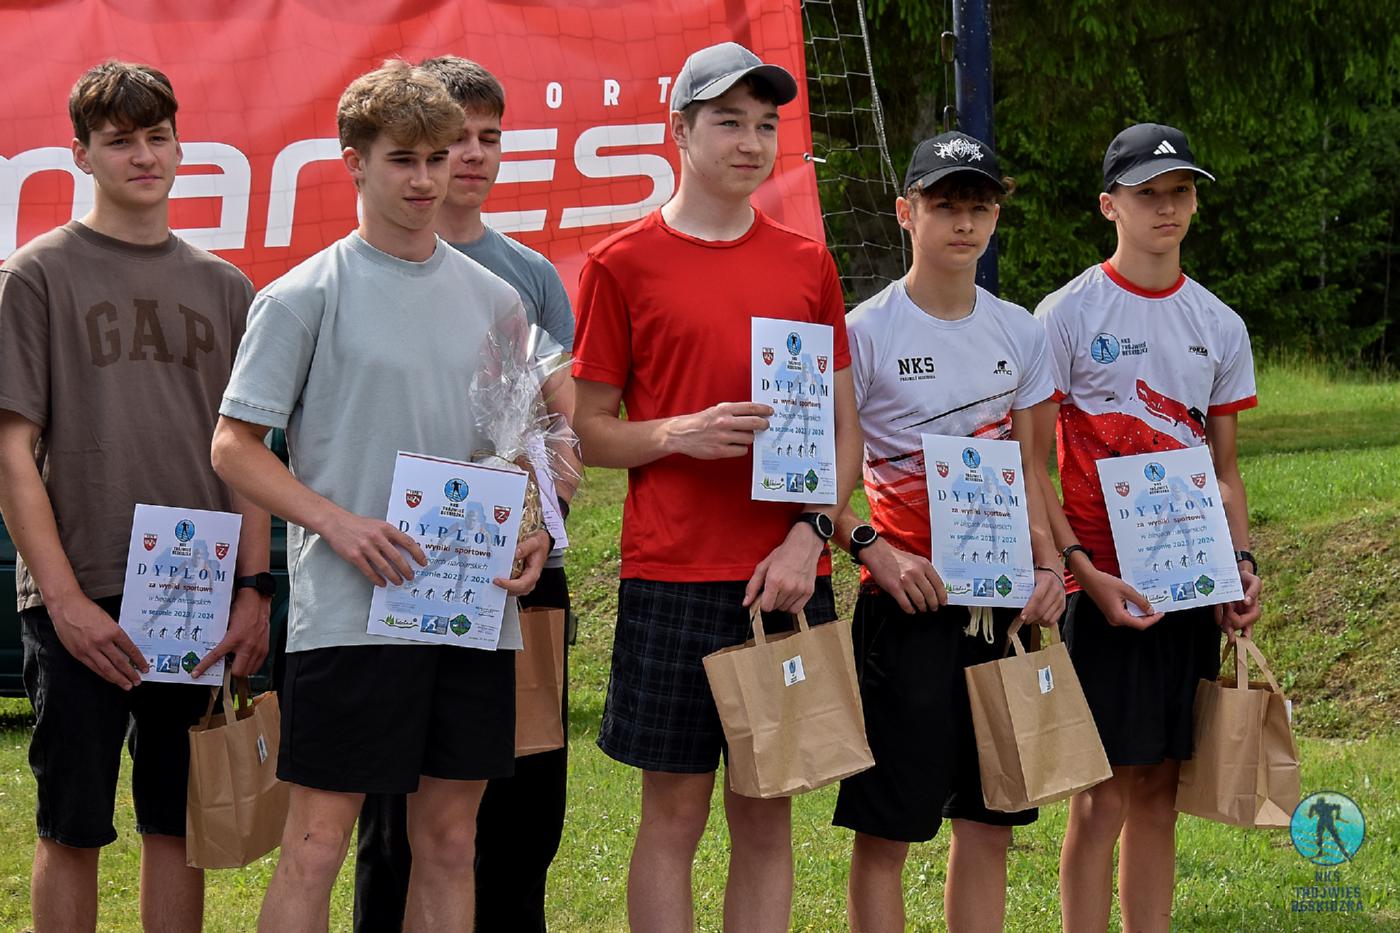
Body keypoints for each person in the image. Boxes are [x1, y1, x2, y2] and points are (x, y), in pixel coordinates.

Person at [209, 60, 550, 931]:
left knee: (451, 841)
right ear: (354, 162)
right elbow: (233, 447)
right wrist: (339, 524)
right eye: (404, 159)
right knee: (317, 840)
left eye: (439, 156)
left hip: (467, 609)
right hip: (352, 613)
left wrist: (530, 528)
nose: (427, 178)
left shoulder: (499, 300)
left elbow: (512, 449)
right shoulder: (302, 296)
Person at [571, 41, 861, 933]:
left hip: (788, 575)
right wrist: (677, 433)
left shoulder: (806, 263)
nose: (749, 142)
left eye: (765, 125)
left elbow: (845, 429)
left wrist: (810, 536)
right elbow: (589, 429)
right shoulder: (621, 263)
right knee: (673, 816)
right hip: (673, 576)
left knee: (767, 816)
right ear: (680, 130)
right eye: (728, 121)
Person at [0, 61, 269, 932]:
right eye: (120, 141)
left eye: (158, 137)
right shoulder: (35, 275)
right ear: (81, 154)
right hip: (81, 587)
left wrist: (253, 589)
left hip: (198, 593)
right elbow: (9, 453)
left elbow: (249, 455)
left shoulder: (227, 287)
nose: (144, 156)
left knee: (177, 824)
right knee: (70, 825)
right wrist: (65, 601)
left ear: (182, 147)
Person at [353, 54, 580, 933]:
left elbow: (561, 430)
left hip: (519, 578)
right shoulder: (365, 270)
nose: (471, 156)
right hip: (405, 576)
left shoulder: (529, 277)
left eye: (489, 137)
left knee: (524, 809)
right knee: (398, 823)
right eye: (453, 139)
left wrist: (543, 505)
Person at [828, 132, 1065, 933]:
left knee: (990, 824)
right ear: (907, 213)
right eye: (945, 205)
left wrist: (1048, 567)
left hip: (1002, 611)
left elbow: (1033, 470)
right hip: (909, 608)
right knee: (888, 831)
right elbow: (823, 487)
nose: (964, 223)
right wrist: (874, 549)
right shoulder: (863, 333)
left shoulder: (1021, 332)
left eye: (980, 207)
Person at [1033, 123, 1263, 933]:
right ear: (1110, 205)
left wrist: (1240, 563)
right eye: (1148, 193)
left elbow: (1225, 469)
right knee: (1102, 794)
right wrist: (1076, 569)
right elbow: (1033, 464)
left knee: (1161, 788)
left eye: (1181, 191)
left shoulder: (1219, 323)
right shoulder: (1064, 315)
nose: (1167, 207)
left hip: (1188, 582)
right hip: (1101, 585)